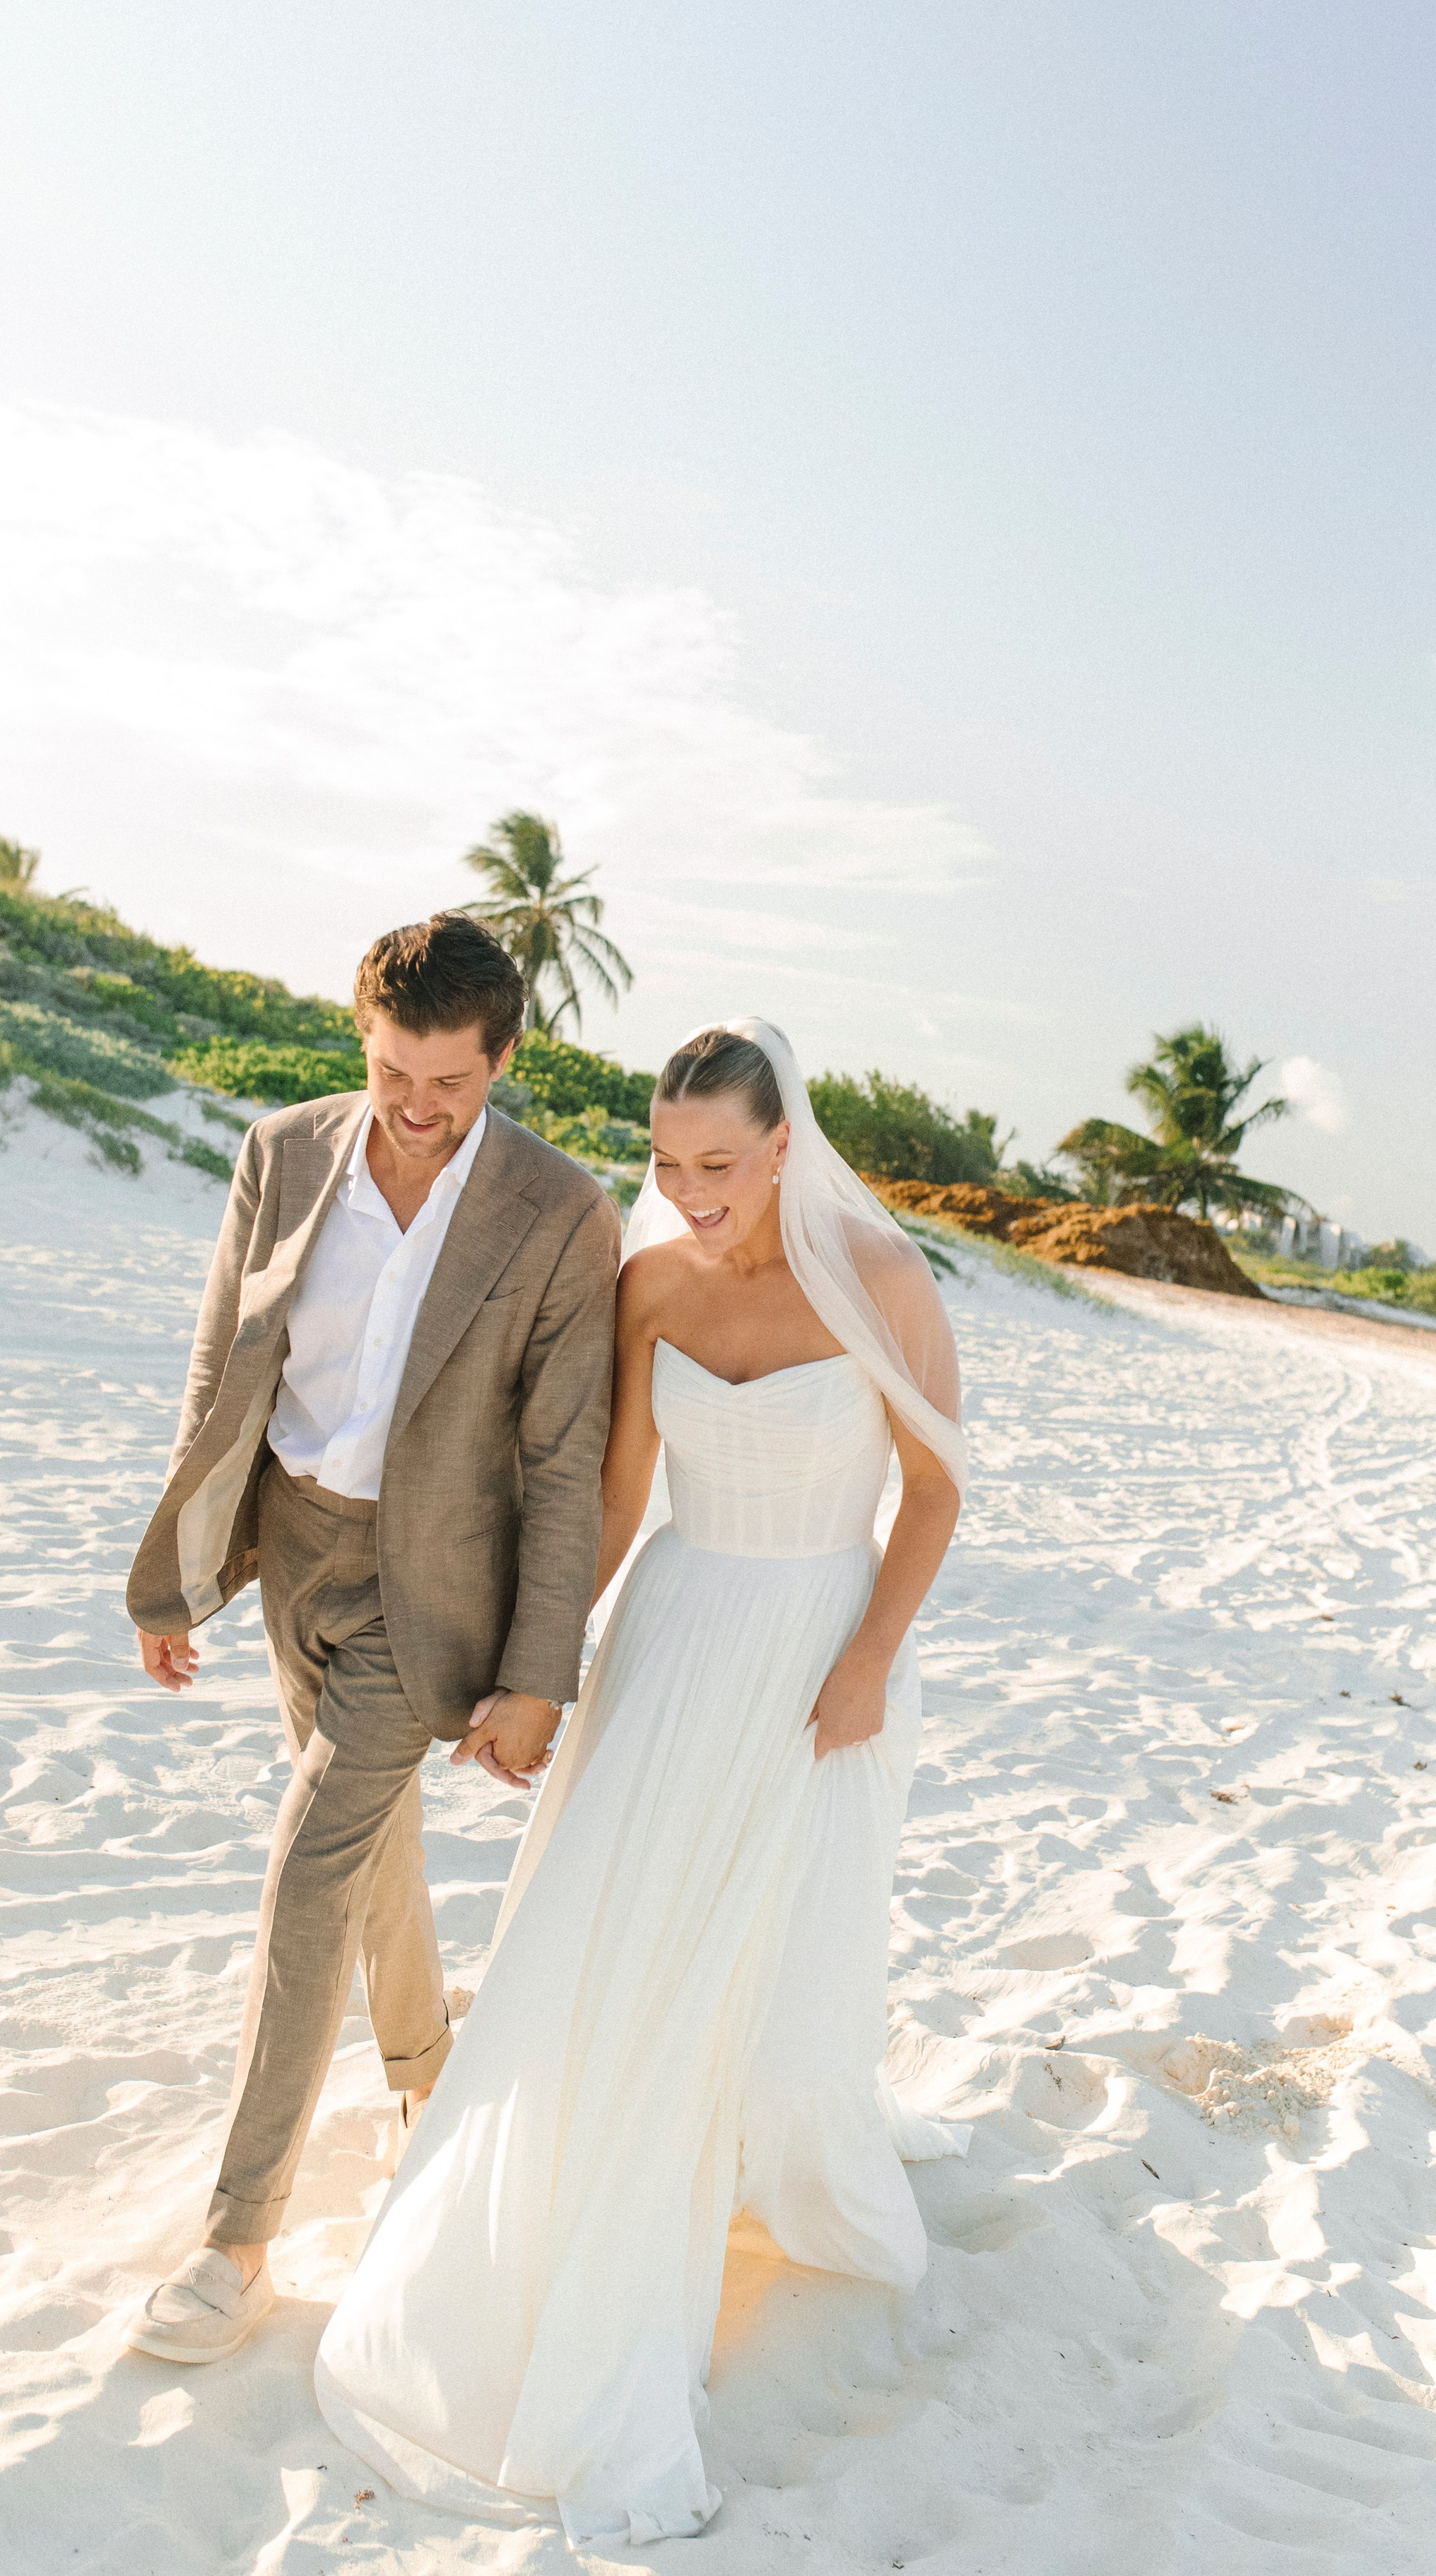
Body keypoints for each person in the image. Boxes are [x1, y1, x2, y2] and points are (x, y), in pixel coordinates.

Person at [314, 1017, 969, 2545]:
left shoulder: (882, 1280)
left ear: (785, 1147)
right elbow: (615, 1499)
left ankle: (761, 2156)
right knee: (609, 1945)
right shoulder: (652, 1282)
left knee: (786, 1968)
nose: (689, 1192)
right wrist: (535, 1670)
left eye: (719, 1164)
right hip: (672, 1640)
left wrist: (871, 1656)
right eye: (669, 1163)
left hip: (819, 1646)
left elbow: (935, 1488)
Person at [121, 913, 621, 2365]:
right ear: (365, 1035)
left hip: (433, 1589)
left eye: (448, 1082)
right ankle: (427, 2076)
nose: (415, 1104)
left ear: (502, 1060)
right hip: (293, 1548)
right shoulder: (283, 1152)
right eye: (393, 1070)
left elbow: (564, 1462)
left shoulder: (560, 1213)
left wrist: (536, 1674)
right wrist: (181, 1572)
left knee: (309, 1869)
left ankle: (237, 2240)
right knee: (368, 1843)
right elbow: (223, 1364)